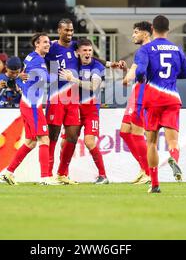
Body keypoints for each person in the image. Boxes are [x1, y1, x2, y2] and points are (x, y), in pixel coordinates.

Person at [45, 18, 125, 184]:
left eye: (71, 30)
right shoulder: (51, 46)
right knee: (56, 139)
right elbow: (38, 54)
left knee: (73, 139)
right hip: (59, 99)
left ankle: (64, 174)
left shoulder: (81, 52)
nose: (69, 33)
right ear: (59, 30)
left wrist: (112, 64)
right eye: (66, 30)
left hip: (80, 104)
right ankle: (49, 174)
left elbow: (94, 59)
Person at [135, 15, 186, 193]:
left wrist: (142, 79)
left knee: (151, 142)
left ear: (152, 28)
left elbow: (140, 71)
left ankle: (154, 184)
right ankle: (173, 157)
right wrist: (171, 76)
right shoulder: (177, 49)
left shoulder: (146, 49)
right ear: (168, 29)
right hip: (171, 99)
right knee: (173, 141)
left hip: (152, 100)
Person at [0, 33, 58, 185]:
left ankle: (8, 172)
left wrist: (20, 76)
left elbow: (28, 73)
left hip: (28, 103)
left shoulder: (31, 57)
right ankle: (45, 178)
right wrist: (63, 75)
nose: (48, 45)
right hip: (32, 105)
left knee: (31, 142)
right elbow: (48, 78)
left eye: (48, 42)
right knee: (44, 139)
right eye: (44, 42)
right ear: (36, 44)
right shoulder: (38, 61)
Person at [59, 38, 109, 184]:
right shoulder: (73, 64)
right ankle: (63, 174)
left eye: (89, 50)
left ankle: (103, 175)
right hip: (74, 108)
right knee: (65, 143)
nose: (87, 53)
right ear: (78, 53)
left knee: (89, 142)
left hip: (90, 110)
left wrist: (74, 80)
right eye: (84, 50)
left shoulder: (97, 66)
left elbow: (94, 86)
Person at [120, 21, 152, 185]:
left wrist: (127, 78)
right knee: (124, 132)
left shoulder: (145, 50)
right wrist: (127, 76)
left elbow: (135, 71)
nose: (133, 35)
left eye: (136, 32)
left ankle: (148, 172)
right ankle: (143, 169)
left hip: (142, 91)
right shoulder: (146, 51)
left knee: (136, 132)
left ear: (145, 34)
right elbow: (134, 67)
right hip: (138, 91)